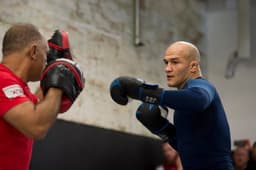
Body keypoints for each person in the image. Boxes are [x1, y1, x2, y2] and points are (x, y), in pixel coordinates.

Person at [110, 41, 234, 169]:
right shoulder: (183, 105)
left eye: (175, 62)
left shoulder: (202, 86)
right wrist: (161, 127)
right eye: (166, 62)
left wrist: (145, 93)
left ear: (193, 66)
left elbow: (199, 99)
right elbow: (186, 147)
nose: (167, 68)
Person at [0, 23, 84, 170]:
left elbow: (40, 107)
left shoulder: (19, 89)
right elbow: (37, 126)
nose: (47, 62)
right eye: (46, 55)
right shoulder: (2, 79)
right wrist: (59, 78)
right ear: (33, 52)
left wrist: (57, 70)